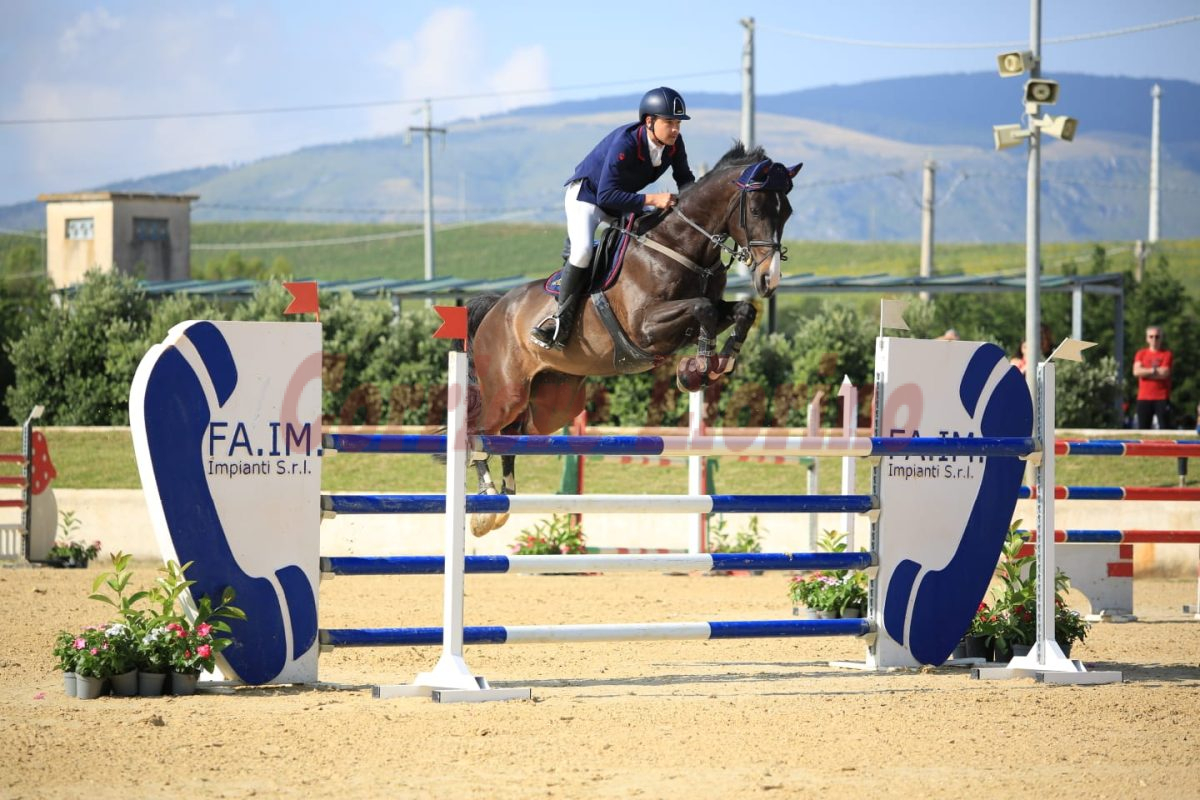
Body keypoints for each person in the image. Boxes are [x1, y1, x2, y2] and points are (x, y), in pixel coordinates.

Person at [531, 87, 696, 350]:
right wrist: (652, 200)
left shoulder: (674, 146)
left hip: (622, 200)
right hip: (588, 196)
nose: (675, 129)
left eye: (678, 123)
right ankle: (559, 321)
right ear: (649, 121)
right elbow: (606, 195)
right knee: (583, 251)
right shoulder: (626, 143)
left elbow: (686, 180)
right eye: (669, 122)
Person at [1132, 325, 1173, 429]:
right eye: (1151, 336)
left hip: (1162, 397)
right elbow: (1136, 372)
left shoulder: (1166, 354)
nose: (1154, 339)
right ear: (1147, 338)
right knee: (1143, 430)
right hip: (1143, 397)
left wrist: (1145, 372)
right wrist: (1154, 370)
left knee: (1165, 429)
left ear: (1161, 338)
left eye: (1157, 336)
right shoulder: (1141, 354)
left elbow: (1165, 373)